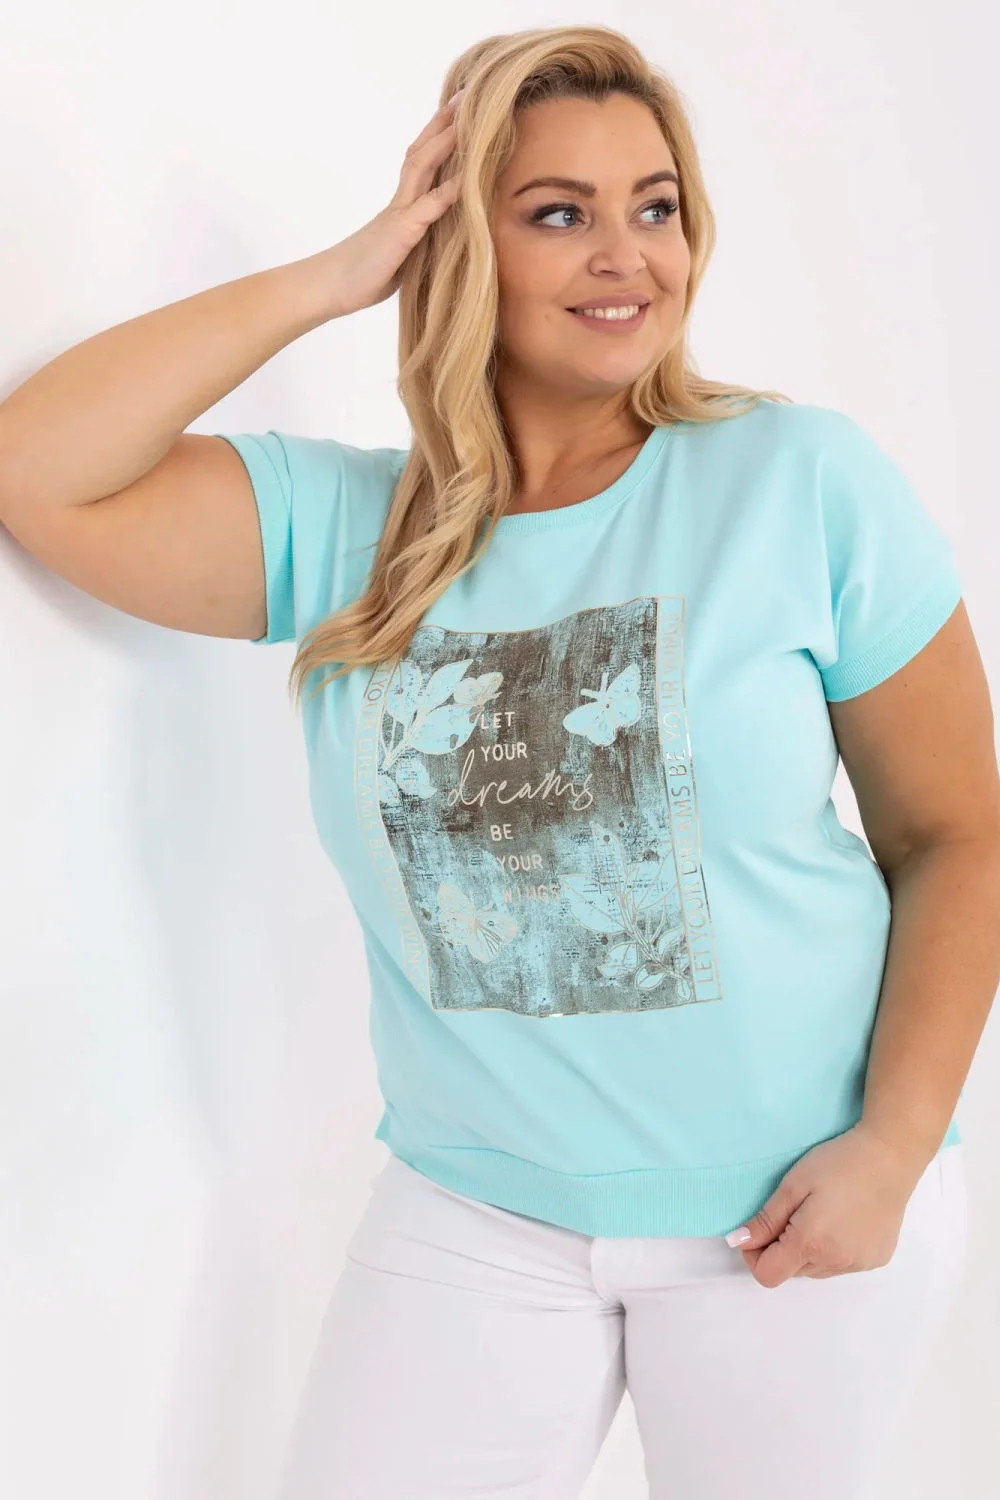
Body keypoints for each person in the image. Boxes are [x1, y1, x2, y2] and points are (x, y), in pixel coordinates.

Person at [1, 23, 997, 1500]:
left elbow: (955, 831)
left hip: (788, 1211)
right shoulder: (355, 533)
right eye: (556, 212)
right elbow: (38, 466)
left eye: (654, 206)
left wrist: (896, 1147)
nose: (625, 255)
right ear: (459, 240)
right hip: (474, 1213)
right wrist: (342, 274)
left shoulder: (797, 480)